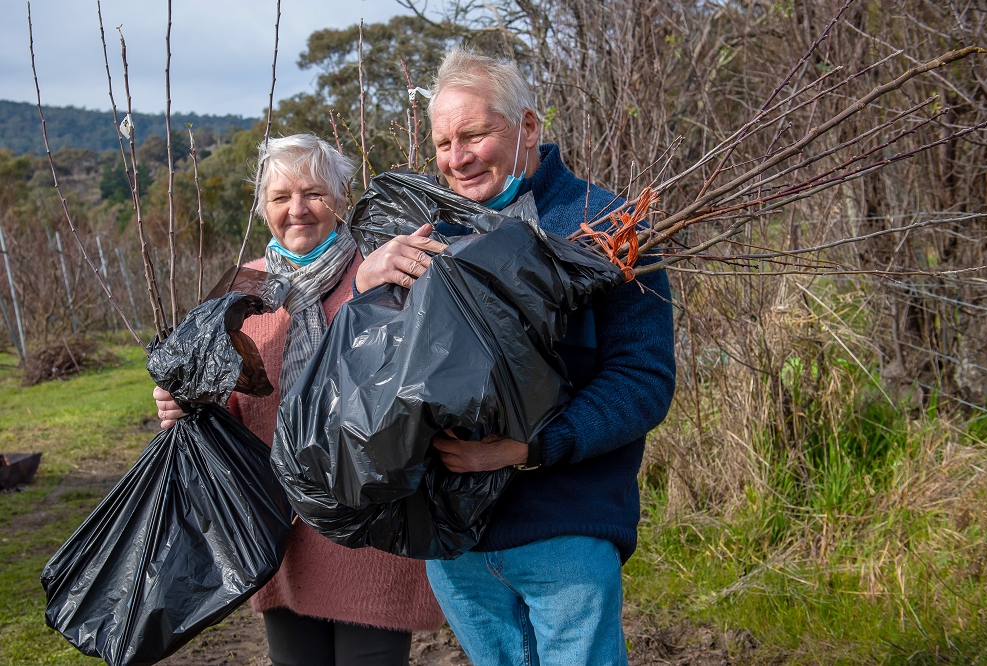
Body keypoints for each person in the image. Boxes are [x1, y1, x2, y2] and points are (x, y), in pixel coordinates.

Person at [355, 50, 677, 666]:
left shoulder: (604, 225)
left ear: (528, 127)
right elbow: (365, 385)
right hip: (456, 546)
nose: (457, 158)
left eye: (475, 134)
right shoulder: (427, 236)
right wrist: (364, 294)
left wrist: (529, 449)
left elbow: (643, 380)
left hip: (565, 532)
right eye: (445, 142)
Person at [153, 134, 444, 666]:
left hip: (367, 524)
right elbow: (226, 411)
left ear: (340, 196)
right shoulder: (240, 292)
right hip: (277, 526)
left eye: (313, 193)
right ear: (262, 207)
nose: (297, 209)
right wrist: (183, 404)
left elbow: (412, 393)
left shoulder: (383, 269)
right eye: (281, 196)